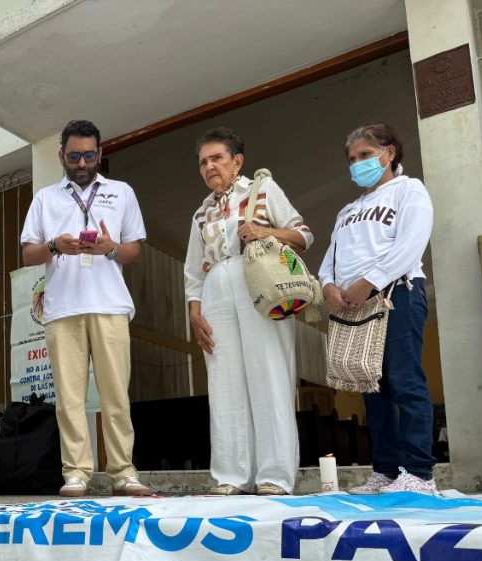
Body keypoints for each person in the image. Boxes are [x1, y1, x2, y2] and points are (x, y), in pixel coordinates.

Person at [20, 119, 152, 498]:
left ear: (100, 153)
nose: (81, 163)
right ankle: (76, 472)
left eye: (89, 155)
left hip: (109, 305)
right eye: (74, 156)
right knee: (69, 397)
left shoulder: (121, 191)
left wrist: (108, 248)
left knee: (115, 393)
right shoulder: (45, 198)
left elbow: (134, 250)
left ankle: (123, 472)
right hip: (61, 308)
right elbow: (29, 253)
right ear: (61, 156)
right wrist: (56, 246)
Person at [184, 126, 312, 497]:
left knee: (269, 373)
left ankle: (274, 475)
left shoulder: (263, 189)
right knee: (223, 381)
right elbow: (193, 271)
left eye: (216, 158)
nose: (209, 167)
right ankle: (231, 475)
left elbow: (304, 235)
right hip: (214, 292)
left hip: (260, 283)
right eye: (203, 162)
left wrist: (263, 232)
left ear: (236, 161)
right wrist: (195, 312)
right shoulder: (200, 213)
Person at [319, 122, 438, 496]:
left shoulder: (409, 190)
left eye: (366, 155)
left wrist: (369, 280)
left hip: (397, 294)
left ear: (389, 152)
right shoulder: (347, 211)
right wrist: (328, 287)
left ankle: (420, 472)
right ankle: (385, 471)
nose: (358, 163)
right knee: (371, 387)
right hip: (356, 305)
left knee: (404, 380)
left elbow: (411, 243)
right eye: (352, 158)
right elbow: (329, 260)